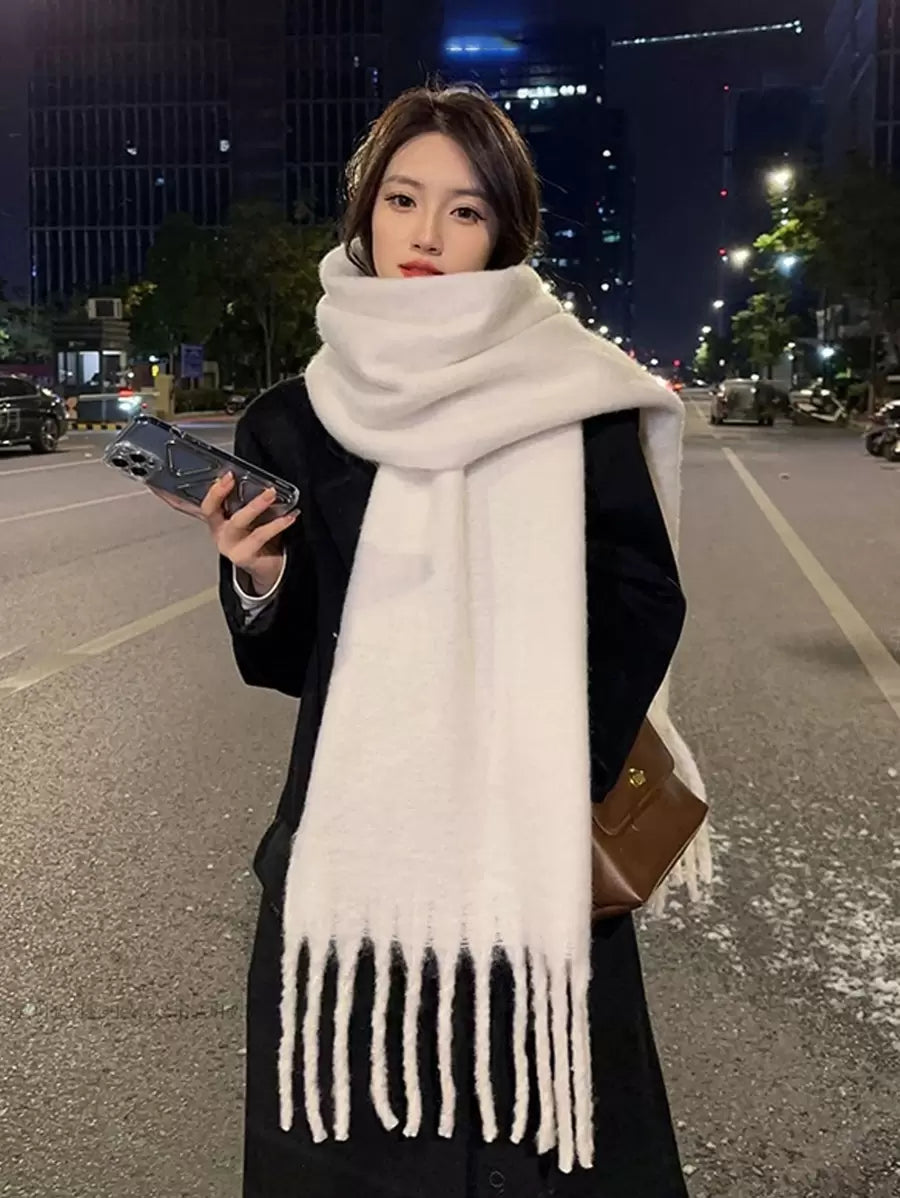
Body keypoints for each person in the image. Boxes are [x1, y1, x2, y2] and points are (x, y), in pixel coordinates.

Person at [155, 84, 711, 1198]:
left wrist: (542, 769)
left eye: (464, 210)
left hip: (525, 842)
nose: (425, 233)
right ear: (366, 209)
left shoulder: (574, 398)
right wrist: (259, 573)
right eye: (402, 199)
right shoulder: (296, 417)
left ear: (503, 232)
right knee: (356, 1142)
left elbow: (643, 597)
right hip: (357, 849)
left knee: (535, 1143)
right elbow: (292, 660)